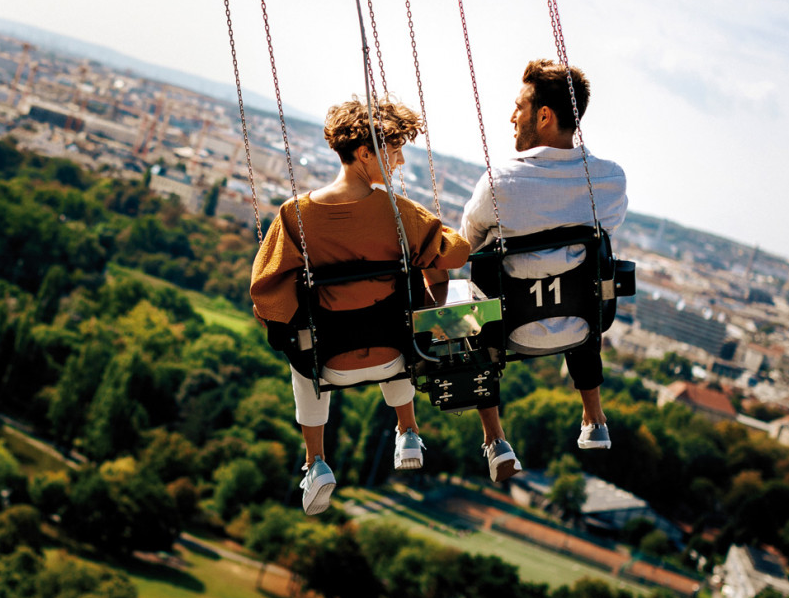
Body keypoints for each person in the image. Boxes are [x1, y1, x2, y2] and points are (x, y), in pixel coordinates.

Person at [251, 96, 471, 515]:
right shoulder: (401, 212)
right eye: (395, 149)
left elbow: (266, 289)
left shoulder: (294, 216)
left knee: (300, 359)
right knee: (404, 311)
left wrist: (286, 322)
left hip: (328, 362)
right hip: (394, 357)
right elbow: (455, 253)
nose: (402, 161)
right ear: (366, 153)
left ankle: (316, 462)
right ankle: (407, 429)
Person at [459, 59, 628, 483]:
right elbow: (607, 227)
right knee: (585, 274)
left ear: (545, 116)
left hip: (507, 332)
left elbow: (467, 242)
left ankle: (495, 438)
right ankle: (593, 416)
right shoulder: (609, 180)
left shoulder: (500, 182)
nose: (511, 116)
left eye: (519, 106)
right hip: (579, 326)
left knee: (476, 280)